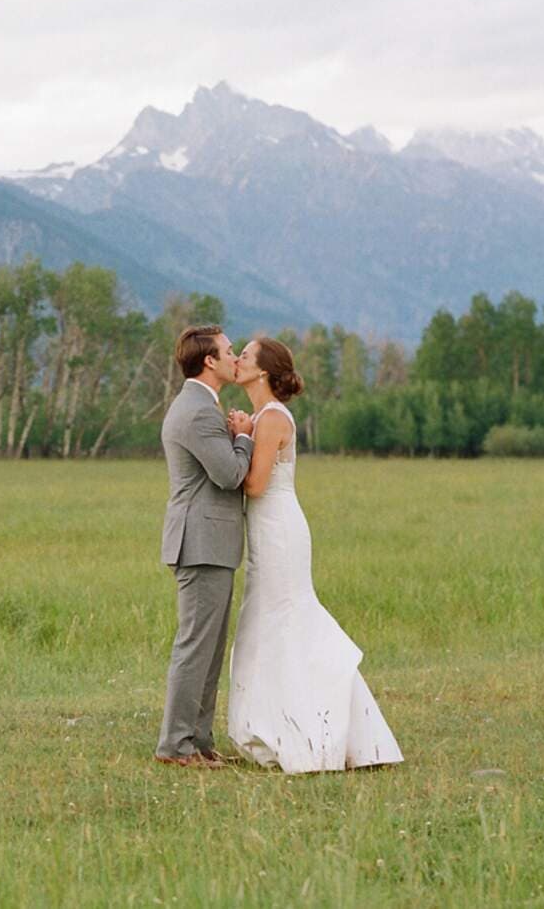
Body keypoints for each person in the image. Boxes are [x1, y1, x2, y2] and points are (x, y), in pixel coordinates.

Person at [223, 337, 404, 773]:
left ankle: (309, 732)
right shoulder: (266, 416)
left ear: (263, 371)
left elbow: (254, 486)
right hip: (270, 528)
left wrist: (241, 439)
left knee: (286, 619)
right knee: (271, 619)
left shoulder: (269, 419)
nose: (237, 360)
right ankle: (290, 725)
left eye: (244, 355)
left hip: (279, 528)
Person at [154, 324, 258, 766]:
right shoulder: (198, 411)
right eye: (230, 351)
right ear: (210, 361)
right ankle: (175, 745)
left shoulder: (201, 405)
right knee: (196, 645)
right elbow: (229, 474)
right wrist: (246, 436)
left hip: (209, 540)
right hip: (200, 540)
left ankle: (198, 741)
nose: (236, 358)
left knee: (210, 645)